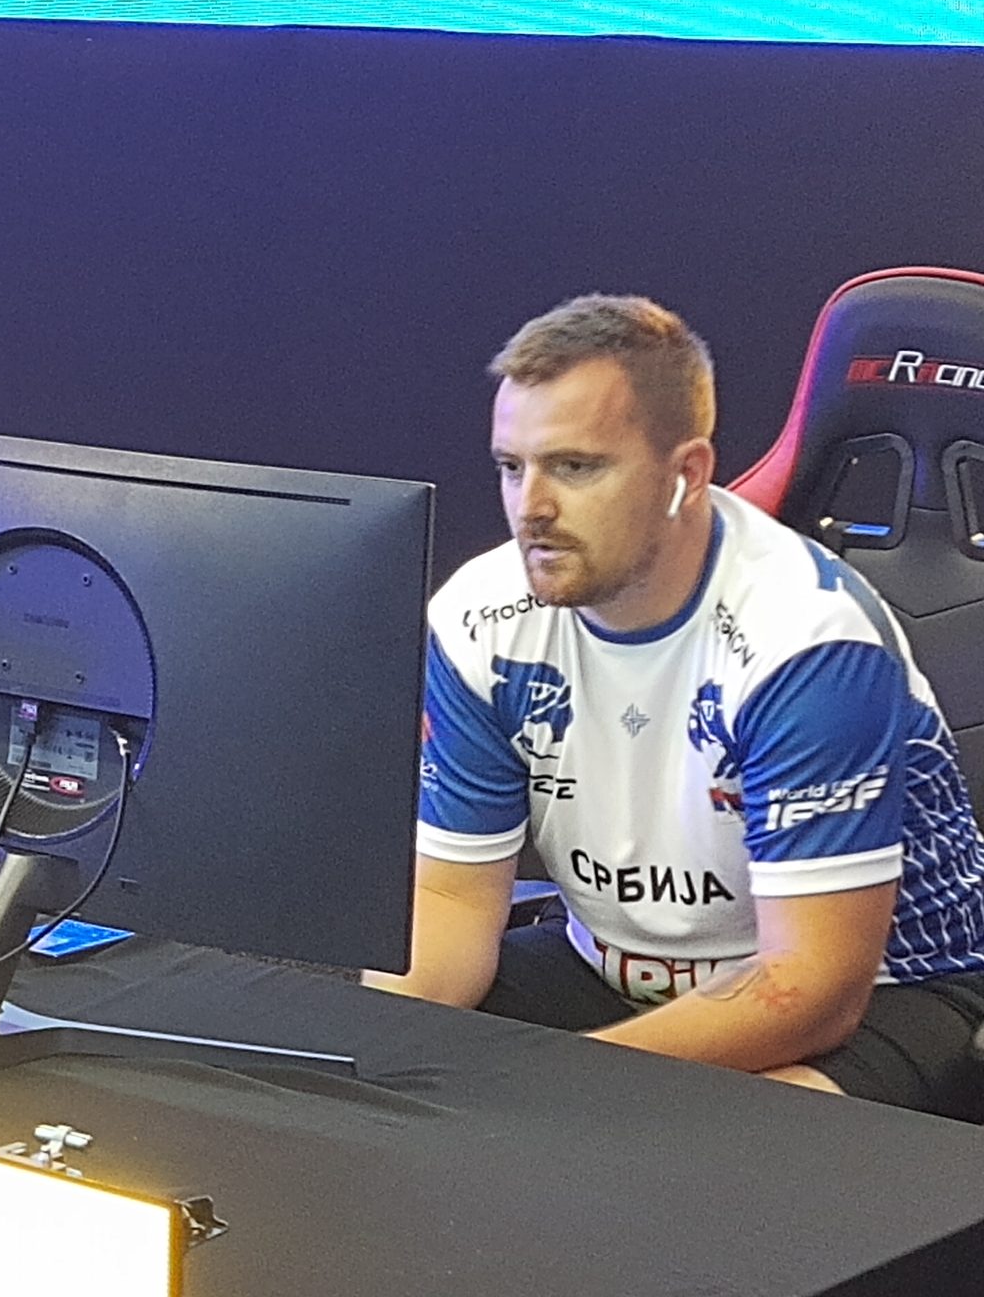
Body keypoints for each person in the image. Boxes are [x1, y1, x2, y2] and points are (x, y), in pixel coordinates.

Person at [369, 294, 984, 1118]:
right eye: (514, 467)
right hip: (610, 968)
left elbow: (810, 987)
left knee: (686, 1152)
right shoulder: (479, 619)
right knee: (384, 1091)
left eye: (575, 467)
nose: (531, 508)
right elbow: (451, 902)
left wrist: (549, 1088)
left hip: (887, 991)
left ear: (686, 474)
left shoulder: (807, 642)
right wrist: (376, 1046)